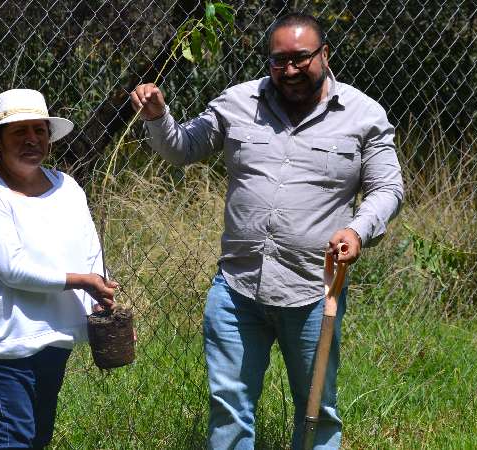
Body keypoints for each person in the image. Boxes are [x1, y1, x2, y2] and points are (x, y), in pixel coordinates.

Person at [130, 13, 403, 450]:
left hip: (315, 290)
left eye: (301, 58)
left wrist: (357, 229)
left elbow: (388, 187)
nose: (290, 70)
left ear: (325, 55)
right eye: (279, 61)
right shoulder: (238, 102)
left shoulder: (364, 115)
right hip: (237, 288)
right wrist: (159, 117)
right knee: (229, 407)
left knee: (316, 408)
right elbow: (183, 148)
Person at [0, 88, 118, 449]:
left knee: (38, 435)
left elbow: (90, 253)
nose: (31, 140)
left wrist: (100, 302)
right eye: (19, 132)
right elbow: (12, 269)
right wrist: (83, 282)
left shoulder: (68, 188)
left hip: (53, 332)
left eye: (39, 130)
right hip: (4, 339)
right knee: (13, 437)